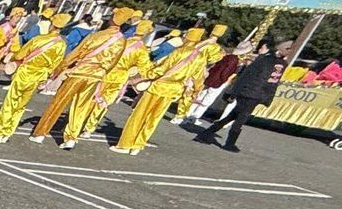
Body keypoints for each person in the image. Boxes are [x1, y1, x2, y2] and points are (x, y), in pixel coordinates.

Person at [29, 7, 133, 143]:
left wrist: (58, 70)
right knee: (81, 106)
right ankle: (71, 138)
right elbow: (113, 62)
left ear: (112, 20)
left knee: (59, 102)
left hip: (79, 73)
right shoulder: (122, 41)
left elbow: (74, 54)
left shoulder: (96, 36)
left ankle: (40, 133)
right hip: (96, 76)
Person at [114, 25, 223, 155]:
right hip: (174, 89)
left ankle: (125, 144)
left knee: (139, 114)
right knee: (153, 119)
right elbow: (198, 79)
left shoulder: (179, 51)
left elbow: (161, 70)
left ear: (188, 37)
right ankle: (138, 145)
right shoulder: (200, 58)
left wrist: (144, 75)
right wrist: (195, 92)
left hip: (159, 86)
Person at [61, 18, 154, 150]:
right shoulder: (142, 50)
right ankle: (89, 129)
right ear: (145, 34)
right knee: (103, 104)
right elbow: (145, 69)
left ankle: (77, 125)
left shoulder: (122, 41)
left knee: (89, 100)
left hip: (105, 73)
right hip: (119, 78)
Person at [0, 11, 73, 142]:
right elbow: (57, 64)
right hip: (39, 75)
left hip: (25, 72)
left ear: (52, 24)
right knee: (22, 105)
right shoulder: (61, 44)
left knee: (11, 103)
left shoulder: (39, 39)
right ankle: (8, 132)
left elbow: (19, 55)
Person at [195, 38, 287, 152]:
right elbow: (270, 82)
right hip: (252, 94)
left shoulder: (264, 60)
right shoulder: (275, 62)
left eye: (261, 47)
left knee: (234, 116)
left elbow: (247, 77)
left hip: (250, 93)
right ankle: (229, 142)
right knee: (240, 118)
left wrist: (233, 92)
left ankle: (207, 134)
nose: (259, 49)